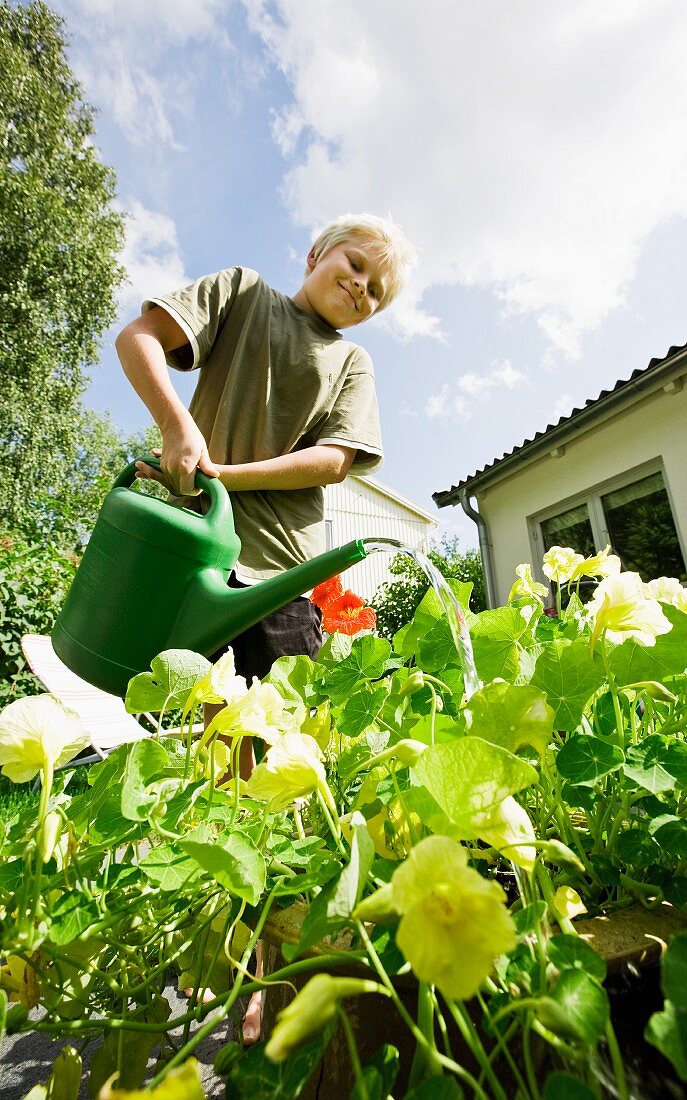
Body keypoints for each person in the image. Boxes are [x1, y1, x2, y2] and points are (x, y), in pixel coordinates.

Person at [115, 212, 415, 1040]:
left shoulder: (351, 361)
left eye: (376, 292)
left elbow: (333, 462)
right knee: (203, 762)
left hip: (279, 579)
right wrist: (179, 428)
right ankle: (202, 946)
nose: (360, 289)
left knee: (283, 776)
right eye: (354, 267)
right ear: (317, 253)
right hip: (192, 565)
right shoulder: (242, 294)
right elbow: (138, 338)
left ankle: (265, 977)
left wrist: (225, 472)